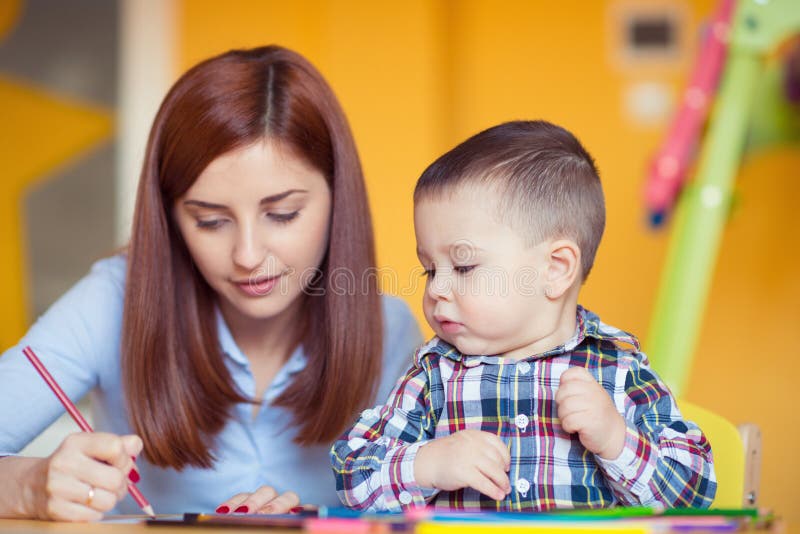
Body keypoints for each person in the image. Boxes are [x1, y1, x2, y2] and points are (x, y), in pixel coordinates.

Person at [0, 45, 421, 521]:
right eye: (210, 221)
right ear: (170, 216)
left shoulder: (392, 332)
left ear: (337, 196)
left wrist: (318, 519)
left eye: (282, 214)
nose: (246, 256)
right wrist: (26, 486)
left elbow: (428, 509)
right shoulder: (112, 302)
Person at [331, 120, 717, 511]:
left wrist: (617, 440)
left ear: (556, 268)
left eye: (463, 267)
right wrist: (426, 463)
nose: (436, 290)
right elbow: (352, 476)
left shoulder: (618, 369)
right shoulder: (436, 374)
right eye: (429, 269)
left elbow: (695, 495)